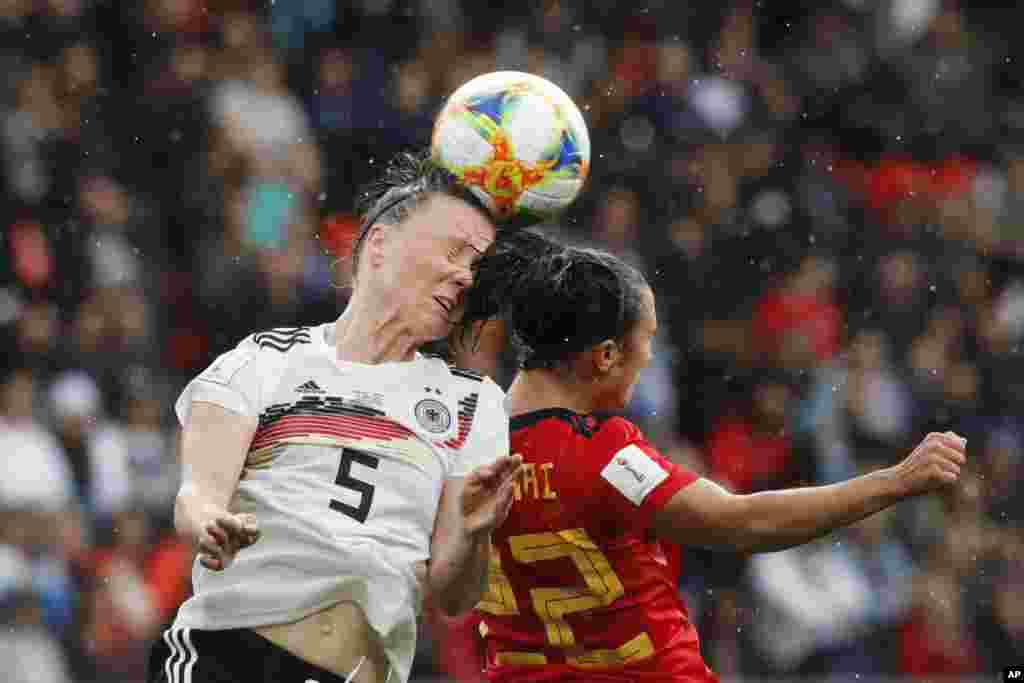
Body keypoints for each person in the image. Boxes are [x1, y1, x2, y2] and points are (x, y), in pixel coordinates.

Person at [455, 229, 967, 682]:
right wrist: (896, 481)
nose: (651, 357)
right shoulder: (603, 452)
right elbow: (742, 524)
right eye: (647, 340)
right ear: (607, 355)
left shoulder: (467, 442)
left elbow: (446, 593)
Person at [148, 151, 523, 683]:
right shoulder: (263, 359)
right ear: (379, 246)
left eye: (475, 267)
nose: (465, 276)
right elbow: (197, 494)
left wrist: (476, 534)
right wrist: (211, 521)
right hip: (223, 658)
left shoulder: (474, 402)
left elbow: (454, 595)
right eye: (453, 252)